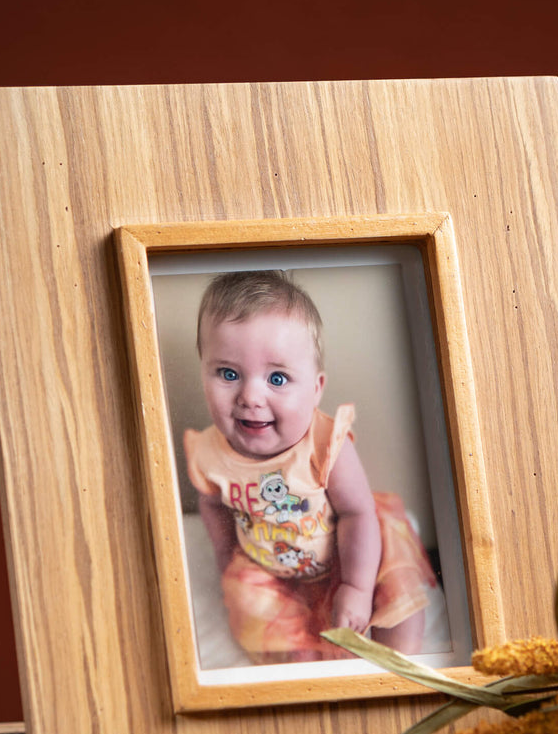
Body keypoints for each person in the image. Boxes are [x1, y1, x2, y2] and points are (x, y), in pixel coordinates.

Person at [184, 270, 436, 664]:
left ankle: (397, 660)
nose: (251, 396)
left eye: (278, 377)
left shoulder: (324, 443)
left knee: (400, 615)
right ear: (204, 374)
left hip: (348, 552)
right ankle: (309, 659)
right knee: (255, 620)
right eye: (228, 374)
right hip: (270, 569)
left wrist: (354, 586)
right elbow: (212, 504)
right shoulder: (206, 453)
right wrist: (226, 555)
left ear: (316, 388)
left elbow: (357, 512)